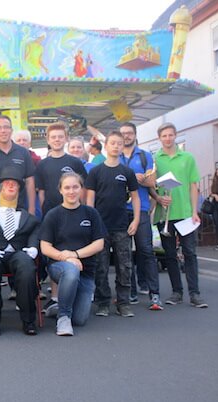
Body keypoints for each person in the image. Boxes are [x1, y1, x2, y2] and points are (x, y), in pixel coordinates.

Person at [0, 166, 41, 336]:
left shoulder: (29, 218)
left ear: (19, 191)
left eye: (14, 184)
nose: (11, 186)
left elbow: (35, 233)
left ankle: (28, 320)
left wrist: (33, 247)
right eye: (7, 184)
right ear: (0, 189)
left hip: (18, 253)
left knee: (27, 267)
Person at [40, 172, 105, 336]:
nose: (71, 191)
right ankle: (63, 318)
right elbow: (45, 247)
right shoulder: (53, 215)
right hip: (59, 267)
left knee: (80, 320)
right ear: (60, 190)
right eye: (67, 187)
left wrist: (74, 255)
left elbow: (99, 244)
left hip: (86, 272)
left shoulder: (91, 214)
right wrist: (67, 258)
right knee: (71, 270)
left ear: (81, 189)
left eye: (75, 187)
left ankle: (60, 307)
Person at [35, 122, 87, 318]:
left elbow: (83, 188)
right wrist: (43, 211)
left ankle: (76, 293)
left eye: (60, 136)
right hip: (52, 215)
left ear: (66, 138)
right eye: (53, 137)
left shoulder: (75, 162)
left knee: (74, 250)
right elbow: (41, 192)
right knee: (55, 255)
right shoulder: (42, 164)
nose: (57, 140)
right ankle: (56, 297)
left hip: (74, 214)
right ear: (48, 140)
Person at [86, 130, 140, 318]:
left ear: (122, 146)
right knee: (100, 266)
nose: (116, 146)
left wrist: (136, 219)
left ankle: (123, 303)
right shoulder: (95, 172)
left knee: (124, 266)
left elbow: (135, 197)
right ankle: (103, 303)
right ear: (106, 146)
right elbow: (90, 200)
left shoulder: (127, 172)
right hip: (100, 227)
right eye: (112, 143)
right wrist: (90, 224)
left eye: (119, 143)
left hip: (122, 227)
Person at [153, 123, 207, 308]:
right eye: (164, 136)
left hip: (184, 213)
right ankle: (177, 292)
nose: (167, 138)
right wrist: (159, 198)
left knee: (189, 253)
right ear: (159, 138)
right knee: (169, 255)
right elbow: (152, 186)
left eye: (170, 135)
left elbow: (193, 185)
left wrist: (194, 211)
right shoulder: (155, 159)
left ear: (175, 136)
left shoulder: (187, 157)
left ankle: (195, 293)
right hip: (164, 214)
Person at [119, 122, 163, 310]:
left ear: (135, 135)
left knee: (146, 251)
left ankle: (155, 294)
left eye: (129, 133)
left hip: (142, 209)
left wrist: (139, 178)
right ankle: (132, 292)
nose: (126, 136)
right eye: (123, 134)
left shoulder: (145, 156)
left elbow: (153, 180)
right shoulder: (114, 156)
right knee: (125, 253)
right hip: (120, 211)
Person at [0, 115, 36, 214]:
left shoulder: (23, 153)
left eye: (6, 127)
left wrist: (32, 209)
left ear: (11, 130)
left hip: (18, 208)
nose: (3, 130)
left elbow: (30, 181)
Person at [210, 167, 218, 250]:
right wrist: (215, 195)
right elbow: (211, 193)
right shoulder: (215, 183)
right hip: (215, 206)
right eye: (217, 173)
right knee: (217, 224)